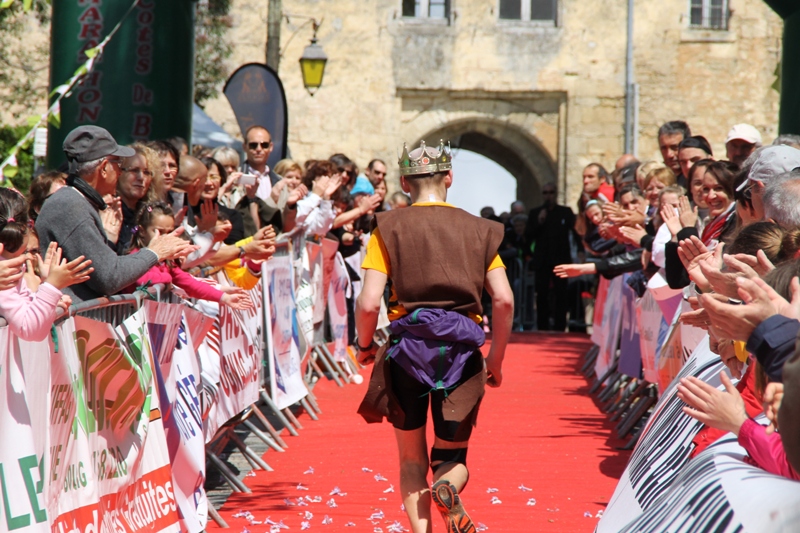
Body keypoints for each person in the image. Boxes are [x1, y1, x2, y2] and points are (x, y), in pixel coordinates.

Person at [355, 140, 513, 533]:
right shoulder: (480, 230)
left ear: (405, 182)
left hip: (407, 352)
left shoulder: (387, 227)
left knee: (411, 461)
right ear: (449, 178)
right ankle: (446, 485)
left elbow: (369, 302)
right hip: (461, 352)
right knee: (451, 456)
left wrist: (363, 346)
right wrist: (495, 359)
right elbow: (505, 299)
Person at [37, 126, 194, 303]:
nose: (120, 172)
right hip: (73, 323)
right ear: (104, 168)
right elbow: (109, 277)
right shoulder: (70, 205)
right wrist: (155, 251)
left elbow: (102, 269)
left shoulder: (77, 202)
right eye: (118, 164)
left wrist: (110, 241)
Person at [0, 188, 93, 341]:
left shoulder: (9, 268)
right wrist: (51, 287)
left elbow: (24, 305)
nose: (26, 259)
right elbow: (29, 328)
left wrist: (48, 298)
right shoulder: (5, 274)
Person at [128, 202, 253, 310]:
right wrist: (168, 278)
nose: (166, 237)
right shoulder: (135, 256)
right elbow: (144, 280)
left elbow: (192, 284)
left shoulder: (168, 262)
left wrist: (224, 298)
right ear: (142, 231)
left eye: (170, 231)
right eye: (159, 231)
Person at [526, 182, 576, 331]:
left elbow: (574, 233)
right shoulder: (535, 213)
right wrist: (539, 222)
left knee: (561, 293)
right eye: (545, 193)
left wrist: (579, 251)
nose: (548, 195)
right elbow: (529, 235)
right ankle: (542, 326)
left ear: (555, 194)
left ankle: (560, 326)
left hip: (561, 260)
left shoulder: (565, 212)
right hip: (542, 260)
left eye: (551, 192)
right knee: (542, 294)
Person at [242, 125, 281, 200]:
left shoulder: (279, 181)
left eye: (264, 145)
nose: (259, 149)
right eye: (253, 145)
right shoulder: (236, 178)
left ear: (271, 147)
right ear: (244, 147)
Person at [658, 120, 691, 187]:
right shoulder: (658, 180)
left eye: (675, 147)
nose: (669, 155)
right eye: (664, 148)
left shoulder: (696, 179)